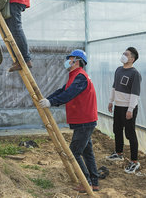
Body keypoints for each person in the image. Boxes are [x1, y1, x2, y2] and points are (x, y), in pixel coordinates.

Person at [39, 50, 100, 192]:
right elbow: (62, 90)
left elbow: (68, 94)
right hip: (84, 120)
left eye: (70, 58)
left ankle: (86, 182)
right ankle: (94, 182)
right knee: (87, 152)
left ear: (77, 61)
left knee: (74, 152)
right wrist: (48, 99)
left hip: (85, 121)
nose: (67, 61)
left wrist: (51, 102)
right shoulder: (75, 76)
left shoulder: (80, 77)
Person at [107, 46, 142, 174]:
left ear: (132, 59)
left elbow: (135, 94)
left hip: (128, 108)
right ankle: (119, 153)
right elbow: (114, 87)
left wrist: (130, 109)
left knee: (130, 133)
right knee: (117, 130)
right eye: (123, 53)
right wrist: (111, 101)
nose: (123, 55)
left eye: (126, 54)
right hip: (118, 106)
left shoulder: (135, 74)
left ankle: (134, 161)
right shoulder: (118, 70)